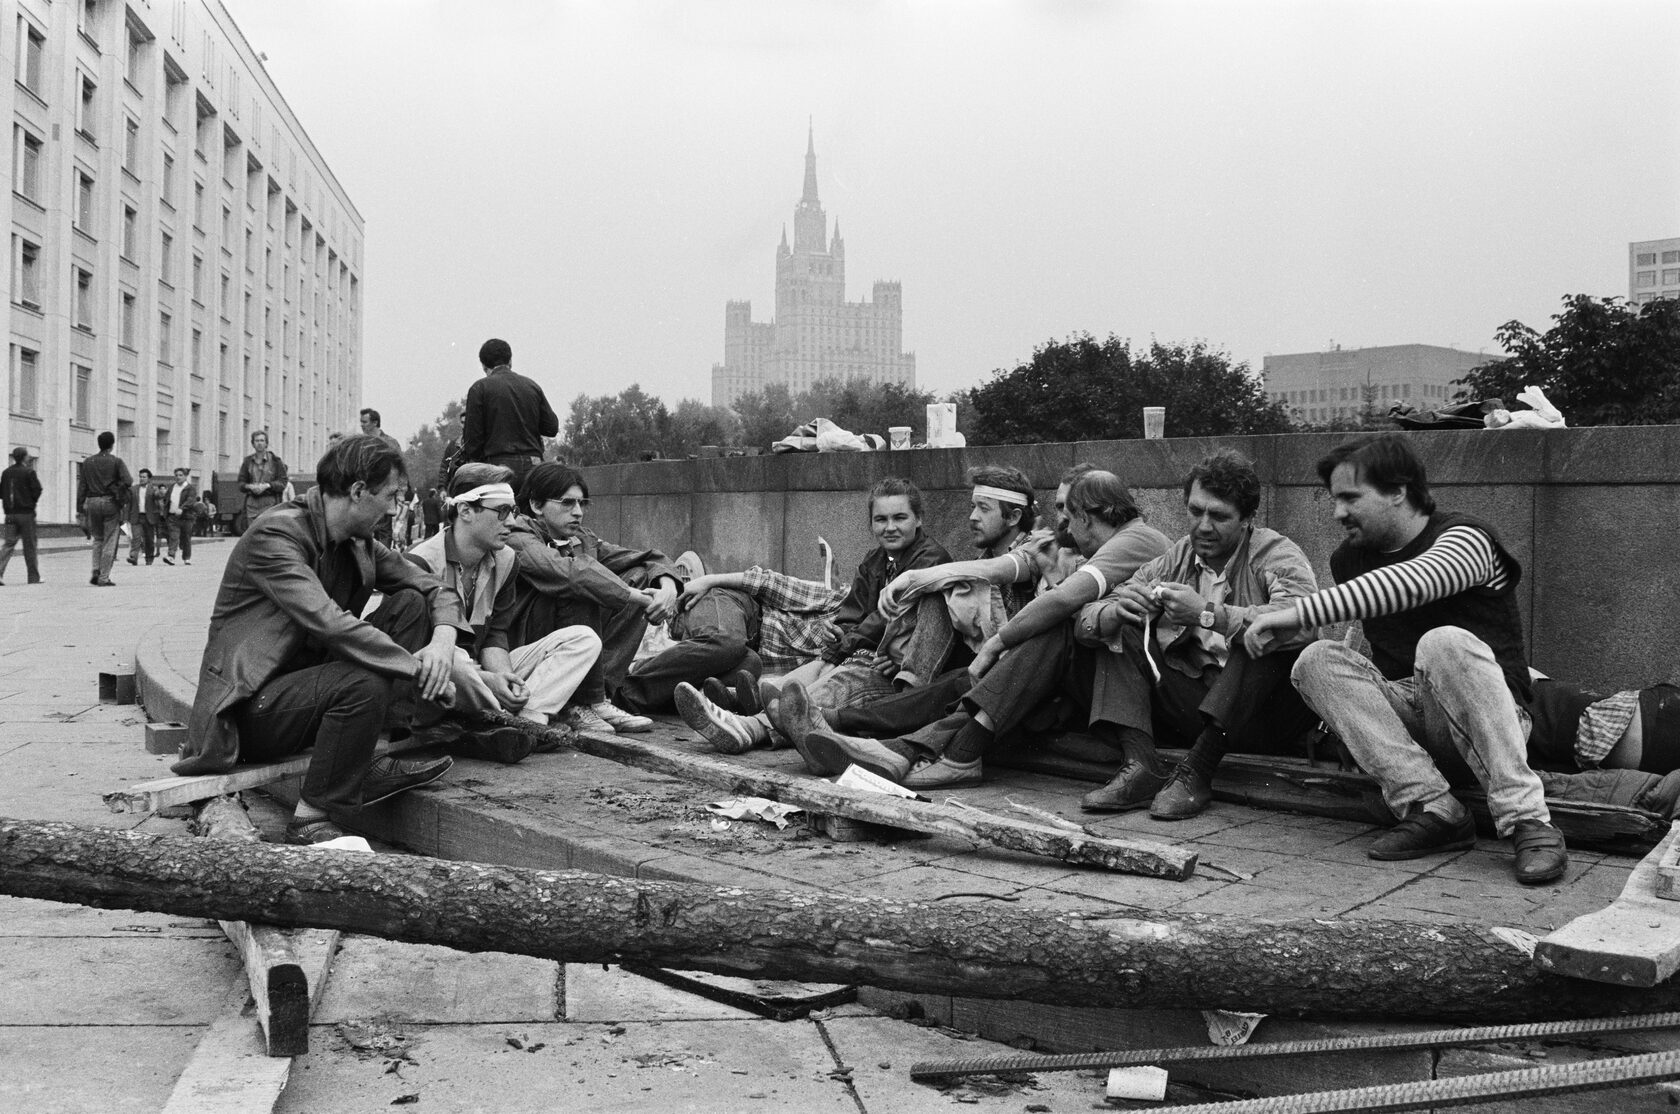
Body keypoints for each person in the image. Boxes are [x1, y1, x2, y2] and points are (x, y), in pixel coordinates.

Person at [1243, 433, 1568, 886]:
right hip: (1414, 730)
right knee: (1316, 659)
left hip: (1493, 723)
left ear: (1398, 490)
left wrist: (1294, 612)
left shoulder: (1468, 538)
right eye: (1335, 499)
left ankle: (1528, 820)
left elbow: (1413, 582)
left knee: (1444, 642)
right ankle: (1433, 809)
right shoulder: (1349, 559)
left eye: (1350, 498)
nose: (1338, 513)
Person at [172, 435, 465, 845]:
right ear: (359, 491)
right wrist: (418, 670)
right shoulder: (275, 536)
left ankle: (370, 758)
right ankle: (311, 817)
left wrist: (443, 643)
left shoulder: (359, 542)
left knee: (411, 604)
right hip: (249, 712)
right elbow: (331, 624)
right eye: (391, 496)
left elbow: (435, 589)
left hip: (308, 692)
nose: (394, 509)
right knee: (365, 681)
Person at [801, 469, 1172, 791]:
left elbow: (1063, 603)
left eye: (1067, 513)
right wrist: (919, 577)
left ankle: (891, 741)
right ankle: (878, 739)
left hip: (1122, 691)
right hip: (1045, 681)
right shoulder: (1066, 546)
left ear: (1089, 517)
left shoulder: (1137, 540)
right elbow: (1000, 569)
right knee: (973, 678)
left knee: (1019, 648)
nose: (1062, 525)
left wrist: (998, 643)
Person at [1072, 450, 1320, 816]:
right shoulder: (1177, 557)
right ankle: (1140, 765)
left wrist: (1206, 614)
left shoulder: (1274, 552)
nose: (1203, 526)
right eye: (1195, 511)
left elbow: (1303, 619)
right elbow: (1087, 618)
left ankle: (1197, 772)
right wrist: (1117, 611)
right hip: (1200, 703)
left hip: (1266, 714)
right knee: (1122, 630)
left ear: (1248, 519)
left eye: (1219, 516)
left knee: (1261, 638)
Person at [404, 463, 602, 757]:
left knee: (584, 639)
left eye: (513, 511)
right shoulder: (421, 560)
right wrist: (488, 681)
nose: (511, 522)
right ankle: (516, 723)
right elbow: (420, 652)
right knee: (455, 661)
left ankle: (521, 719)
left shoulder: (506, 559)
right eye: (502, 512)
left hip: (482, 676)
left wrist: (505, 678)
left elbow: (496, 633)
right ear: (466, 511)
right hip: (441, 676)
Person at [502, 463, 685, 734]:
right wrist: (637, 598)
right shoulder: (518, 534)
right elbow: (569, 574)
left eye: (582, 503)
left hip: (574, 643)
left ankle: (598, 699)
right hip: (522, 650)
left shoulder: (582, 539)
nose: (578, 512)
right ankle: (580, 702)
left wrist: (667, 588)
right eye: (567, 503)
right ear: (537, 505)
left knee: (638, 575)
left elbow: (648, 557)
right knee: (583, 585)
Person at [461, 338, 558, 486]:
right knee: (533, 507)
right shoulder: (532, 386)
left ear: (483, 365)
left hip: (497, 467)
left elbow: (472, 441)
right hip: (534, 465)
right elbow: (551, 428)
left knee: (501, 508)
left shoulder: (479, 389)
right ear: (510, 360)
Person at [78, 431, 133, 587]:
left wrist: (80, 509)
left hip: (92, 502)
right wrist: (116, 486)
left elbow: (82, 487)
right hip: (110, 502)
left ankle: (95, 570)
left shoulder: (88, 462)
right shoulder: (116, 461)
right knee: (109, 540)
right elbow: (128, 480)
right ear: (112, 444)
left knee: (98, 539)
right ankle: (104, 577)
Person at [0, 447, 43, 585]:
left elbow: (1, 493)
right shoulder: (29, 472)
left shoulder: (5, 473)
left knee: (8, 544)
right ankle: (33, 577)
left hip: (9, 515)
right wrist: (31, 502)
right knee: (30, 545)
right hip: (26, 515)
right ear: (24, 457)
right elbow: (37, 489)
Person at [237, 430, 288, 531]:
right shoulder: (247, 461)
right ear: (253, 443)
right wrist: (249, 486)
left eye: (262, 440)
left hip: (269, 502)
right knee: (252, 533)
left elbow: (283, 482)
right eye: (256, 441)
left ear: (266, 443)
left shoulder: (276, 461)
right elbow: (241, 483)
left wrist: (267, 486)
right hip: (252, 503)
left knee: (268, 533)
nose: (259, 443)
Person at [162, 467, 198, 566]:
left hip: (186, 517)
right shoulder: (172, 487)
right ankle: (171, 556)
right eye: (176, 475)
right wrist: (166, 510)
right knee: (173, 537)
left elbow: (190, 500)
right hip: (173, 517)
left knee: (186, 538)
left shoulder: (190, 488)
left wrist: (182, 508)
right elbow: (167, 499)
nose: (178, 477)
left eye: (180, 475)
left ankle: (186, 557)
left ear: (186, 476)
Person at [126, 469, 162, 566]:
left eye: (144, 477)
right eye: (140, 477)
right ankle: (134, 557)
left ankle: (149, 558)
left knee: (149, 539)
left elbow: (158, 496)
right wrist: (126, 517)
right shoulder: (133, 489)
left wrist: (158, 492)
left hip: (148, 517)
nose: (141, 479)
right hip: (136, 516)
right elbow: (128, 503)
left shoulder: (153, 489)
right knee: (136, 538)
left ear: (149, 478)